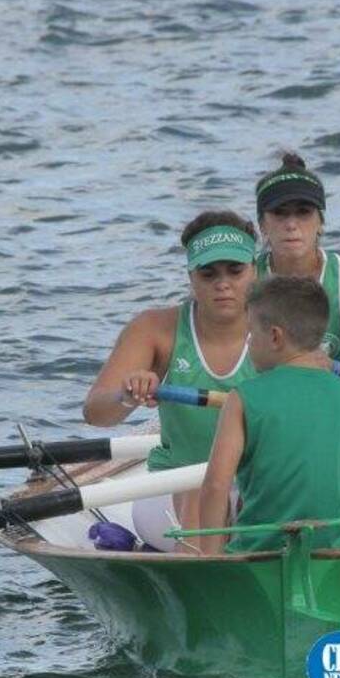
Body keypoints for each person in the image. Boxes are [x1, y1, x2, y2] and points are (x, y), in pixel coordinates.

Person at [83, 210, 258, 548]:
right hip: (178, 483)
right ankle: (204, 569)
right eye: (208, 273)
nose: (223, 283)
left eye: (235, 271)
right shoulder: (155, 329)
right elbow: (95, 412)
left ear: (255, 270)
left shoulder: (279, 326)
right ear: (190, 276)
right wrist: (126, 395)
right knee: (201, 494)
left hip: (256, 482)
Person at [198, 276, 340, 555]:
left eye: (251, 334)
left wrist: (209, 559)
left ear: (275, 337)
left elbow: (216, 485)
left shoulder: (242, 397)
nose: (249, 343)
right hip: (336, 553)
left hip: (259, 553)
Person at [254, 152, 340, 392]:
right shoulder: (246, 278)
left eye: (303, 212)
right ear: (262, 225)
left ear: (321, 222)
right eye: (280, 213)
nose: (291, 224)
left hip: (331, 404)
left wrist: (334, 367)